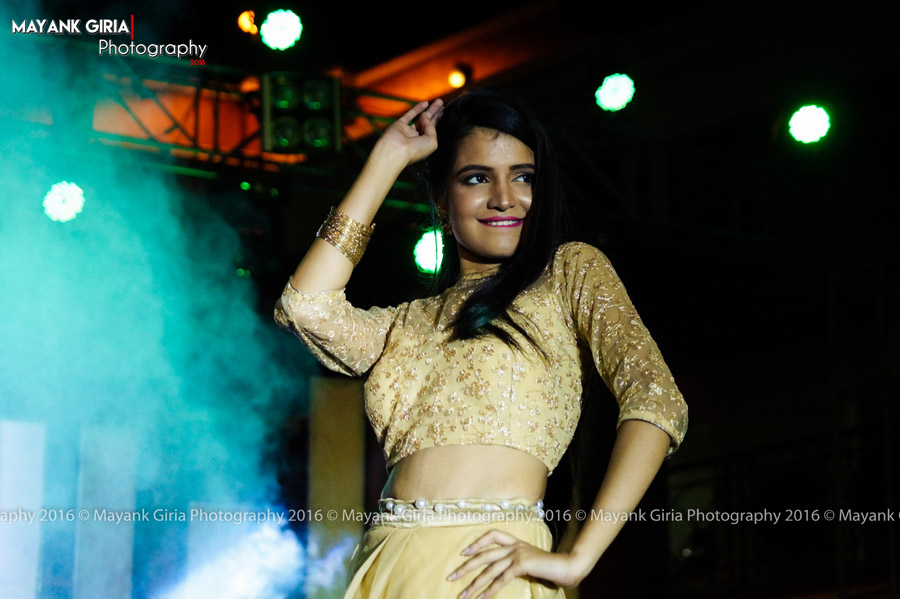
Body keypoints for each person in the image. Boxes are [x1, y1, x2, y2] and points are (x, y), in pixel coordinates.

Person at [274, 89, 688, 599]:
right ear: (441, 199)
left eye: (524, 177)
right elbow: (305, 306)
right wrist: (387, 161)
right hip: (390, 565)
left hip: (491, 568)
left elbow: (657, 399)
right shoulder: (405, 322)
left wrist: (580, 558)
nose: (505, 198)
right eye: (476, 178)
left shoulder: (569, 273)